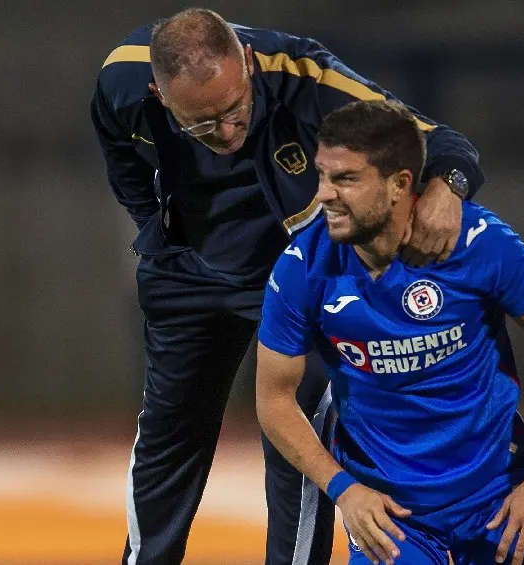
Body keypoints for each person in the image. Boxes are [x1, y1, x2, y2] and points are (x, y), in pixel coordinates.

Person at [90, 8, 484, 565]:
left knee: (299, 430)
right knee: (168, 435)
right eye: (200, 124)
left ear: (247, 63)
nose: (226, 134)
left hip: (290, 280)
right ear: (159, 94)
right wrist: (159, 231)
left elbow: (438, 140)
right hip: (188, 271)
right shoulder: (120, 83)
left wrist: (449, 186)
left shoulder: (307, 77)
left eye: (234, 110)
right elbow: (123, 161)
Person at [255, 99, 524, 565]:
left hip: (498, 500)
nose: (324, 195)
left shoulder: (478, 243)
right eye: (322, 176)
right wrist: (344, 489)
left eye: (346, 179)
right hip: (392, 519)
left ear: (399, 185)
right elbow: (273, 399)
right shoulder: (302, 267)